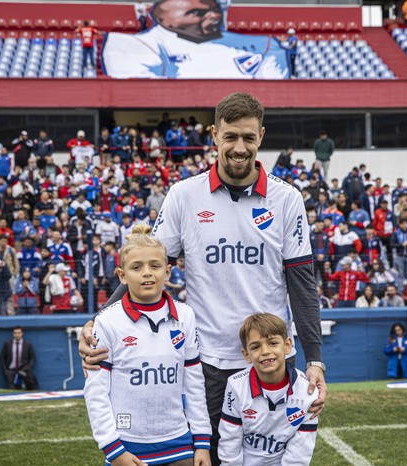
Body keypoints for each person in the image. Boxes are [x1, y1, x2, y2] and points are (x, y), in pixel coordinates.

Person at [80, 92, 324, 465]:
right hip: (208, 362)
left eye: (248, 137)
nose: (239, 147)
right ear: (214, 135)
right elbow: (144, 266)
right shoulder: (184, 196)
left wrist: (315, 360)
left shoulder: (287, 199)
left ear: (261, 136)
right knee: (207, 457)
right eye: (230, 137)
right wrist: (99, 322)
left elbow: (302, 284)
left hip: (270, 360)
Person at [83, 225, 211, 466]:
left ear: (168, 271)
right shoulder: (107, 321)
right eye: (136, 267)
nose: (147, 273)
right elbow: (96, 391)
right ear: (122, 275)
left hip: (179, 443)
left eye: (155, 265)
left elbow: (194, 382)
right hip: (127, 445)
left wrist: (202, 440)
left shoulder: (186, 316)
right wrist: (112, 448)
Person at [218, 313, 318, 465]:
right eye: (256, 346)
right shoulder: (236, 386)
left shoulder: (308, 392)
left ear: (287, 346)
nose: (265, 351)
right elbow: (230, 442)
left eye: (272, 343)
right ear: (247, 355)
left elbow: (299, 454)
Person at [101, 0, 290, 79]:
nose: (213, 16)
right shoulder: (140, 44)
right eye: (197, 13)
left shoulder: (263, 46)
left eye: (214, 10)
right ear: (164, 19)